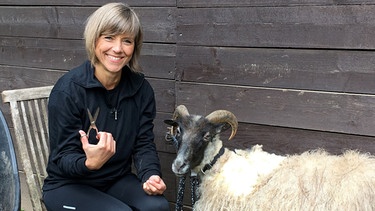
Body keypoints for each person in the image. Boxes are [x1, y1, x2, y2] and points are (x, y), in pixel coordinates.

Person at [42, 3, 170, 211]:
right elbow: (63, 157)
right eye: (109, 37)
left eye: (126, 41)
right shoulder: (68, 91)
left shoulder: (141, 90)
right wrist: (89, 163)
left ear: (134, 47)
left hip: (115, 180)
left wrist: (150, 175)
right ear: (94, 40)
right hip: (67, 185)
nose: (118, 49)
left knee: (157, 206)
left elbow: (143, 143)